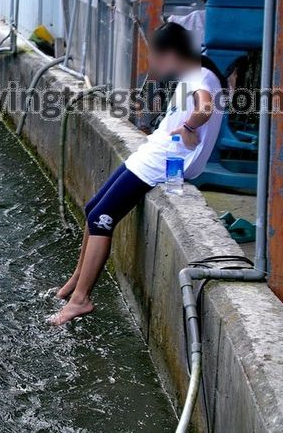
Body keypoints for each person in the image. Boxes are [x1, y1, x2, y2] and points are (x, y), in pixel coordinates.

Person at [50, 22, 225, 326]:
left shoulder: (200, 76)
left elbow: (205, 108)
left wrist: (188, 127)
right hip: (152, 154)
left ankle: (81, 299)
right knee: (93, 209)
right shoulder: (196, 73)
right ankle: (75, 283)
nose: (154, 64)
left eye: (156, 57)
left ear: (171, 54)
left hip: (163, 162)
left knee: (102, 218)